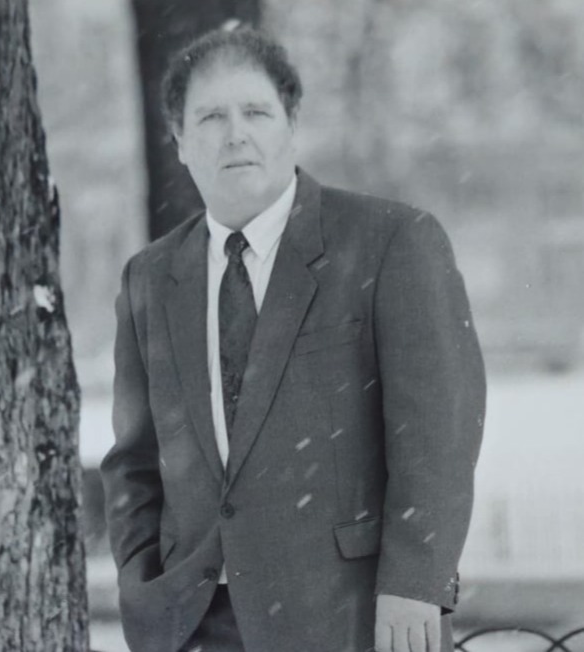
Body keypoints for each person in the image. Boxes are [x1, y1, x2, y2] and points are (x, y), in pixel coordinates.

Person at [101, 27, 486, 652]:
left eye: (256, 112)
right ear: (178, 139)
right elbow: (134, 461)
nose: (235, 134)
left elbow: (438, 431)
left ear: (291, 124)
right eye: (210, 117)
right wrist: (144, 588)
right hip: (194, 625)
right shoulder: (150, 277)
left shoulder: (390, 242)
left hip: (349, 617)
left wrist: (416, 581)